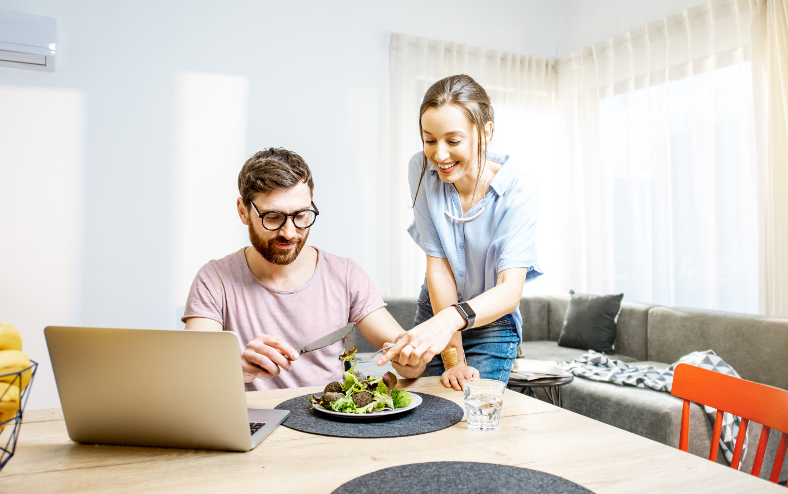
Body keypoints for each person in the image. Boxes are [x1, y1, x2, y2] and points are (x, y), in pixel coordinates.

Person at [183, 147, 423, 389]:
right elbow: (192, 373)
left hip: (327, 422)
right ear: (243, 211)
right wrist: (235, 369)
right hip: (249, 423)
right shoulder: (214, 280)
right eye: (273, 217)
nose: (289, 233)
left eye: (301, 215)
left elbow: (403, 351)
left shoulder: (345, 274)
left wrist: (410, 360)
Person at [379, 74, 541, 390]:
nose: (439, 155)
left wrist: (451, 321)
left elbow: (510, 290)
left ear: (485, 132)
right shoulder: (421, 169)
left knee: (473, 411)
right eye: (429, 140)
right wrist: (454, 355)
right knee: (423, 410)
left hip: (491, 318)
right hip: (436, 307)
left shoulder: (518, 190)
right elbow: (438, 267)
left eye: (453, 141)